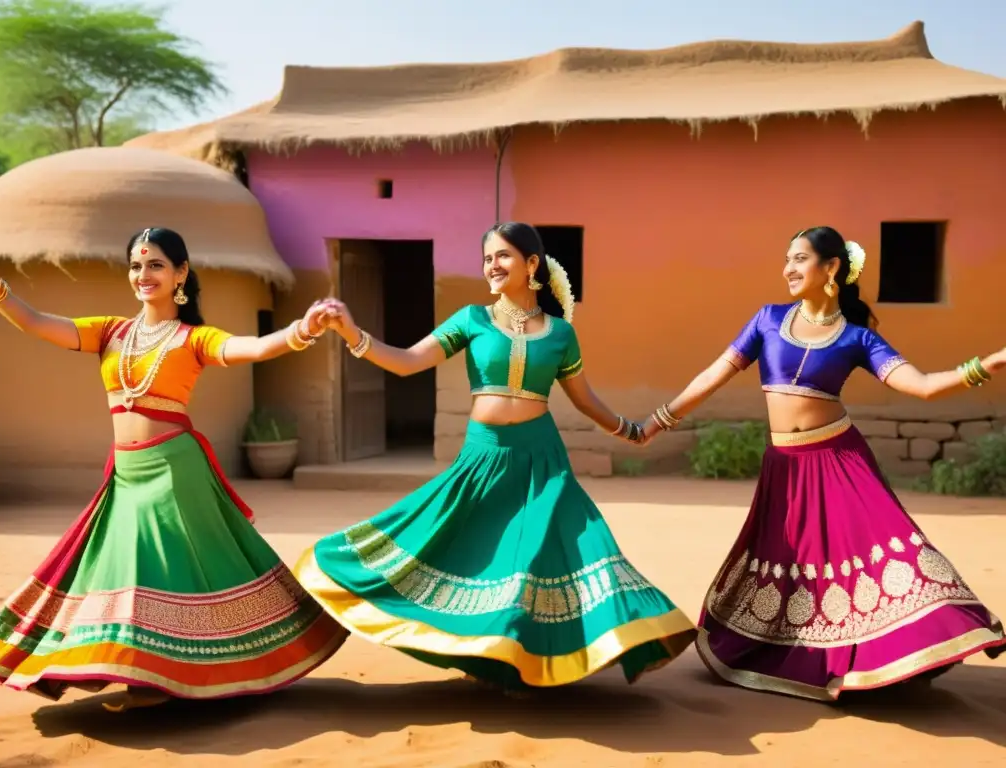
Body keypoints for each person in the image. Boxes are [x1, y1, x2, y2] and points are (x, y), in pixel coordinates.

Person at [292, 222, 696, 693]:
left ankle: (594, 646)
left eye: (503, 256)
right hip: (482, 459)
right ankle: (489, 657)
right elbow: (406, 361)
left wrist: (631, 431)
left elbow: (584, 399)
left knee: (547, 556)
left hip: (541, 461)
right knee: (466, 550)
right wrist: (351, 331)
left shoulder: (560, 334)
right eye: (486, 258)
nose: (492, 266)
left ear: (531, 265)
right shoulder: (472, 320)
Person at [0, 227, 348, 712]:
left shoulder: (194, 338)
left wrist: (302, 329)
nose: (142, 274)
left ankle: (151, 681)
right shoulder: (109, 331)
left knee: (154, 572)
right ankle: (130, 670)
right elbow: (36, 322)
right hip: (127, 473)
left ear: (180, 274)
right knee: (131, 573)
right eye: (136, 265)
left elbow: (254, 348)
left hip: (175, 472)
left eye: (155, 264)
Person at [639, 225, 1006, 701]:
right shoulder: (768, 320)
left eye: (799, 259)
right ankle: (807, 659)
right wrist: (658, 420)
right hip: (785, 469)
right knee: (791, 563)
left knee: (878, 557)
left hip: (839, 461)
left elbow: (922, 385)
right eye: (787, 259)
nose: (788, 269)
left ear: (830, 268)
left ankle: (897, 657)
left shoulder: (857, 339)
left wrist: (985, 365)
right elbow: (714, 374)